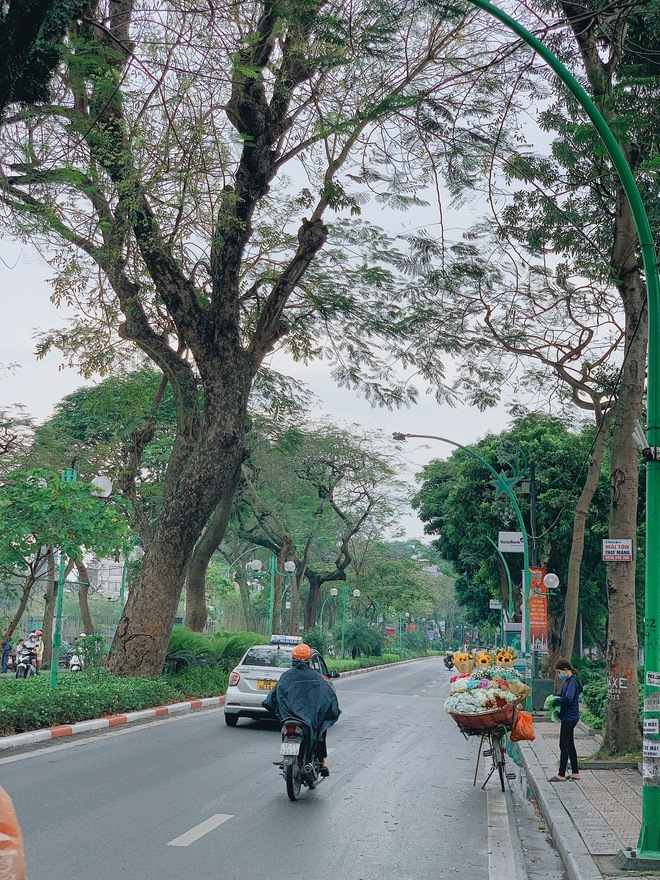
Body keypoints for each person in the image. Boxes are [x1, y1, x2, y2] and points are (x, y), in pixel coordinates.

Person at [262, 643, 341, 777]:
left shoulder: (286, 677)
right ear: (309, 660)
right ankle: (323, 762)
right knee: (321, 730)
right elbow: (328, 698)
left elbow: (272, 698)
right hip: (308, 720)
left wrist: (281, 713)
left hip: (289, 718)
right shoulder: (317, 678)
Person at [548, 659, 582, 782]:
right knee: (570, 745)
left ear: (566, 670)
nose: (559, 674)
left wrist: (555, 700)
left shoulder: (572, 682)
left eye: (559, 672)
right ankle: (575, 772)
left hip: (569, 717)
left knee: (564, 745)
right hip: (570, 716)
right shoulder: (570, 681)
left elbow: (568, 698)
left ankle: (561, 774)